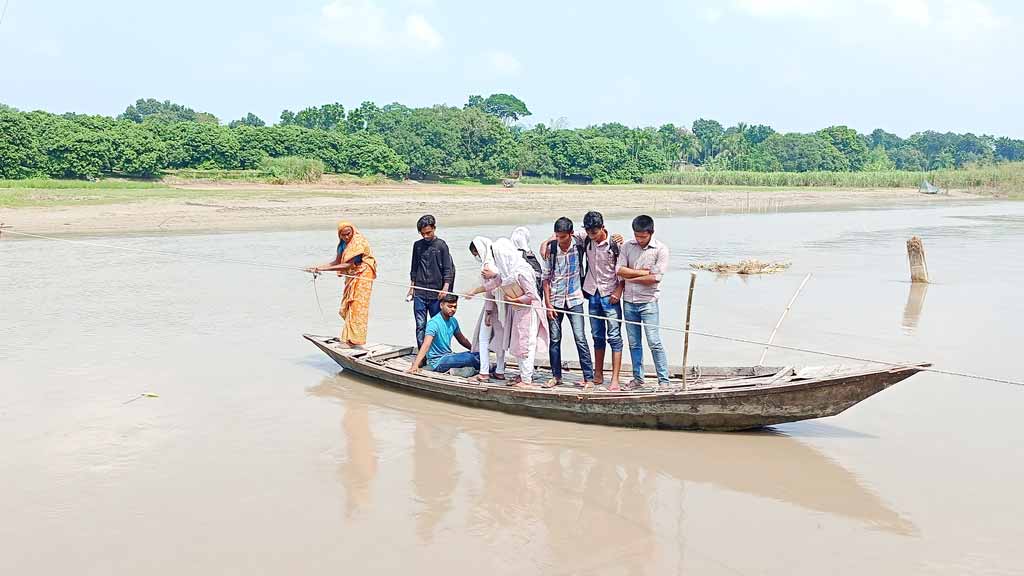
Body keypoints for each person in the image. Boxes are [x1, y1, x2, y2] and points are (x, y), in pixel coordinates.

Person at [540, 211, 625, 390]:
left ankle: (595, 378)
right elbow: (546, 278)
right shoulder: (560, 246)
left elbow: (622, 269)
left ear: (603, 228)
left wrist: (619, 290)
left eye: (594, 232)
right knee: (558, 339)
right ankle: (560, 376)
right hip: (562, 298)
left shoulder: (609, 244)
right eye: (589, 232)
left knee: (587, 337)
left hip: (584, 297)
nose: (592, 235)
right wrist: (546, 241)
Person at [616, 215, 671, 389]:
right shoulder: (627, 246)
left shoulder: (660, 249)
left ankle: (664, 380)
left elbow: (655, 279)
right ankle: (638, 379)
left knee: (654, 341)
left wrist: (630, 275)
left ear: (651, 233)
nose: (639, 240)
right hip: (629, 301)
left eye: (643, 237)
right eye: (637, 236)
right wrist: (641, 273)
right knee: (634, 343)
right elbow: (619, 270)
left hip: (648, 302)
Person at [541, 217, 595, 389]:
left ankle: (589, 378)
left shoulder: (579, 244)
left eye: (563, 237)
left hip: (574, 298)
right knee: (555, 339)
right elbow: (546, 279)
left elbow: (596, 234)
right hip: (555, 300)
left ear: (571, 234)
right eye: (557, 236)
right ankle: (556, 376)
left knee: (580, 338)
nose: (560, 240)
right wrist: (548, 305)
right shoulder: (552, 249)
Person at [488, 238, 549, 386]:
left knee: (526, 344)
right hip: (517, 311)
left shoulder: (521, 272)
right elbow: (493, 284)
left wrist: (514, 300)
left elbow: (532, 295)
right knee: (518, 343)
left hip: (528, 312)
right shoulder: (507, 273)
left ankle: (527, 379)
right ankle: (523, 375)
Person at [306, 221, 378, 348]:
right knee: (349, 306)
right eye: (343, 235)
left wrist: (323, 270)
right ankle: (349, 338)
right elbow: (337, 261)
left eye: (348, 234)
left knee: (357, 306)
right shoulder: (343, 245)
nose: (346, 237)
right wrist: (317, 267)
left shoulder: (358, 242)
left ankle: (352, 341)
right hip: (352, 276)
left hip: (363, 276)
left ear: (353, 231)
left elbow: (348, 264)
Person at [408, 215, 456, 349]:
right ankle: (422, 356)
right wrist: (412, 287)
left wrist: (445, 288)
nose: (425, 236)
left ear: (434, 228)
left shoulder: (441, 246)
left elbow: (448, 269)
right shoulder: (417, 246)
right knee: (420, 325)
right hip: (420, 292)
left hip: (437, 294)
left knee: (438, 325)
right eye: (422, 234)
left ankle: (438, 353)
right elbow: (414, 268)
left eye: (428, 233)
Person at [465, 237, 506, 383]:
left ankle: (484, 372)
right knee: (501, 338)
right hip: (504, 306)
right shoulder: (498, 262)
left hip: (493, 307)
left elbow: (490, 289)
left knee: (483, 338)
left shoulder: (487, 265)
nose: (476, 256)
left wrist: (488, 311)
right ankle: (500, 370)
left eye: (476, 253)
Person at [407, 294, 479, 374]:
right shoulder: (433, 323)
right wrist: (415, 365)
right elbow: (426, 345)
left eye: (455, 307)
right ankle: (488, 368)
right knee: (469, 358)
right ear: (441, 305)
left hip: (449, 356)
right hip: (438, 362)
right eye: (449, 306)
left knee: (476, 354)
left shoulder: (453, 321)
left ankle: (479, 367)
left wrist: (475, 350)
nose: (453, 309)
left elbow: (462, 340)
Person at [510, 226, 544, 295]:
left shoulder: (508, 255)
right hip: (530, 294)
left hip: (514, 294)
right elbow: (538, 275)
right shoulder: (529, 254)